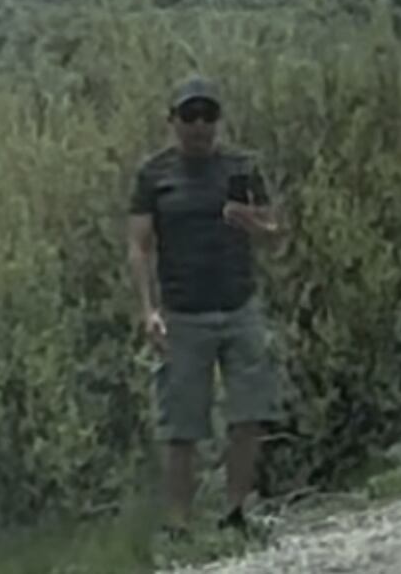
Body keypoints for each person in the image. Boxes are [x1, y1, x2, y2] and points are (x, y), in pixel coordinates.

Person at [126, 74, 287, 536]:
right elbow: (139, 245)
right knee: (182, 424)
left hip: (239, 306)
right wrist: (147, 308)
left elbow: (278, 237)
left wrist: (254, 224)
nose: (199, 126)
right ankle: (179, 525)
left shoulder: (242, 166)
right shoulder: (154, 174)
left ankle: (235, 513)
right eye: (190, 116)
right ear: (172, 120)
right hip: (183, 313)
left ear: (218, 119)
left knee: (249, 413)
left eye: (208, 115)